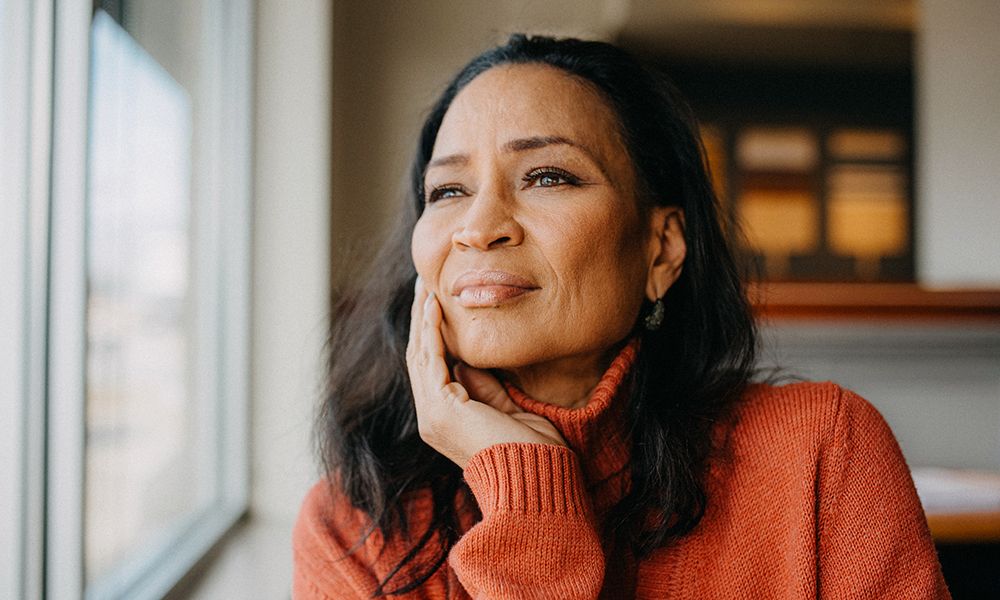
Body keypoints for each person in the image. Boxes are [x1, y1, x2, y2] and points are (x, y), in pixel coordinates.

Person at [293, 34, 949, 599]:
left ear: (660, 249)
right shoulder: (354, 525)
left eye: (548, 176)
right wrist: (526, 491)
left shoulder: (822, 451)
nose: (478, 226)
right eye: (448, 190)